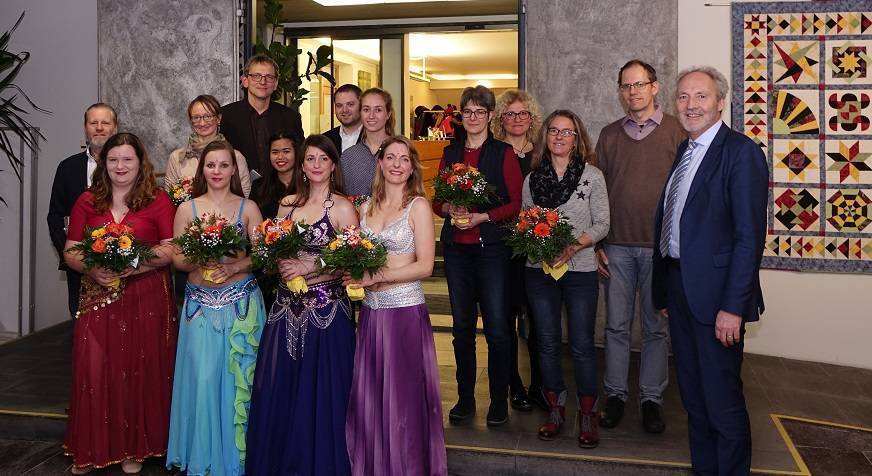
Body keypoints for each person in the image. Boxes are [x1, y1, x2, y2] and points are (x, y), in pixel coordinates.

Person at [653, 66, 767, 475]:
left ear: (721, 102)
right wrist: (665, 292)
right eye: (683, 97)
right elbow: (674, 222)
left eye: (700, 96)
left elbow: (748, 238)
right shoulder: (685, 150)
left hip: (718, 299)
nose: (690, 105)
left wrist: (733, 307)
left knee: (722, 403)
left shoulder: (741, 153)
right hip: (681, 291)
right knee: (695, 401)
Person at [63, 132, 177, 475]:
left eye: (127, 159)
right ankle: (92, 446)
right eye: (113, 160)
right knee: (94, 369)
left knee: (139, 367)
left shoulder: (157, 200)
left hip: (145, 296)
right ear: (103, 163)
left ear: (140, 162)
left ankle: (134, 448)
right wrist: (93, 269)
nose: (120, 166)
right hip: (99, 297)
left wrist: (134, 264)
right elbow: (70, 250)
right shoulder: (87, 201)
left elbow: (171, 248)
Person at [246, 134, 359, 476]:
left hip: (326, 310)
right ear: (302, 165)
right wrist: (277, 260)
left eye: (323, 159)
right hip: (285, 309)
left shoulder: (343, 207)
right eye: (310, 159)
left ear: (333, 165)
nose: (316, 165)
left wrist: (313, 266)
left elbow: (353, 260)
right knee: (282, 387)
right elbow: (275, 249)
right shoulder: (287, 204)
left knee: (323, 392)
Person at [345, 136, 447, 476]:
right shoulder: (365, 207)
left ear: (411, 166)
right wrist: (355, 273)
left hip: (404, 313)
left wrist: (378, 276)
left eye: (404, 159)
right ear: (380, 163)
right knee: (374, 395)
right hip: (372, 315)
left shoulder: (418, 205)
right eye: (390, 157)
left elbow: (425, 266)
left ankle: (406, 466)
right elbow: (359, 258)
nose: (397, 164)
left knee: (402, 398)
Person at [595, 60, 686, 434]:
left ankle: (651, 398)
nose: (633, 92)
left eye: (639, 84)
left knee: (653, 328)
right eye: (626, 86)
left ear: (654, 87)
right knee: (615, 326)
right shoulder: (609, 135)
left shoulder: (677, 131)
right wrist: (598, 242)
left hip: (659, 249)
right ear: (620, 91)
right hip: (616, 246)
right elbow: (597, 194)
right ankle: (615, 395)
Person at [166, 140, 266, 476]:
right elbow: (178, 259)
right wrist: (201, 257)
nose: (218, 171)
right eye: (211, 165)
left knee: (241, 382)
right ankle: (204, 455)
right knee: (204, 378)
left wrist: (235, 267)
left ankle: (239, 457)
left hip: (241, 305)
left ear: (234, 170)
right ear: (201, 170)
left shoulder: (248, 208)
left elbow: (261, 255)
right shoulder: (186, 209)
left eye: (224, 165)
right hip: (201, 307)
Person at [432, 85, 523, 427]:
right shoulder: (450, 152)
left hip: (492, 252)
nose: (473, 117)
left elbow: (515, 203)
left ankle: (499, 400)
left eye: (480, 112)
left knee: (499, 328)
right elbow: (437, 201)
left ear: (490, 116)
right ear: (461, 116)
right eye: (467, 111)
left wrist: (484, 217)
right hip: (457, 252)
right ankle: (466, 398)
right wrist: (449, 206)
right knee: (462, 329)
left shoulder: (503, 153)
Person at [522, 110, 609, 448]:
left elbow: (603, 224)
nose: (559, 137)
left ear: (578, 139)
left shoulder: (592, 176)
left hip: (581, 271)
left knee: (582, 345)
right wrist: (540, 247)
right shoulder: (532, 180)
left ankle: (587, 414)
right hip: (539, 271)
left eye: (567, 132)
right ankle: (555, 409)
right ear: (545, 137)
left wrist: (572, 247)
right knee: (545, 341)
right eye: (553, 131)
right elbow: (526, 221)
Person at [491, 89, 545, 412]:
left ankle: (541, 385)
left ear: (531, 118)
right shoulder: (494, 153)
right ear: (500, 119)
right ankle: (514, 384)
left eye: (522, 113)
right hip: (502, 249)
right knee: (505, 321)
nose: (516, 119)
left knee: (539, 321)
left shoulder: (540, 153)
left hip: (537, 249)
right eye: (509, 114)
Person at [48, 103, 118, 317]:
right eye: (93, 122)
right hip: (79, 268)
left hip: (121, 268)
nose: (99, 127)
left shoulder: (127, 166)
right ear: (85, 128)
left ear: (115, 128)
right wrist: (73, 258)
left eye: (105, 122)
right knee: (82, 328)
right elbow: (55, 216)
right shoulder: (67, 168)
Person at [221, 54, 304, 178]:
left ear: (276, 84)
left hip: (280, 191)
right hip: (236, 189)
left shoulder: (290, 118)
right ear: (245, 81)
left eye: (269, 77)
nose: (263, 81)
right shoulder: (226, 116)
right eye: (256, 76)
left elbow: (300, 156)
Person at [165, 94, 252, 197]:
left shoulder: (236, 157)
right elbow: (169, 195)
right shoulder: (177, 158)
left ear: (219, 118)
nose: (202, 123)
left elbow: (244, 194)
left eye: (208, 116)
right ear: (191, 120)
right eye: (196, 117)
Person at [340, 87, 395, 196]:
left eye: (378, 110)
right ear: (360, 113)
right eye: (366, 109)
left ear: (388, 114)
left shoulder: (401, 152)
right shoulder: (348, 157)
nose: (371, 115)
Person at [251, 130, 298, 220]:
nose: (280, 157)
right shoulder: (259, 186)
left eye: (286, 151)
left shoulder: (307, 185)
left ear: (296, 153)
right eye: (275, 152)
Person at [324, 83, 363, 153]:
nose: (344, 110)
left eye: (350, 104)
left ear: (362, 105)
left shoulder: (374, 138)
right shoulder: (325, 139)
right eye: (339, 105)